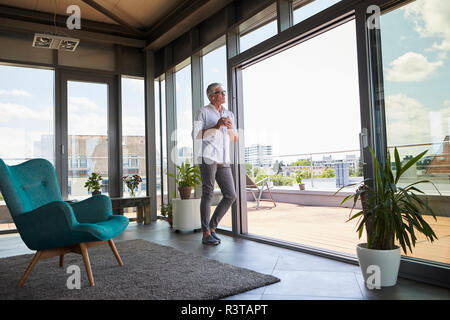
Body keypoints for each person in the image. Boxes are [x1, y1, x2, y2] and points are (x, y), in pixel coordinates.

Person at [192, 83, 238, 245]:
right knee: (208, 193)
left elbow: (234, 139)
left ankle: (212, 227)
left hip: (223, 159)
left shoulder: (229, 113)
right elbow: (196, 135)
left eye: (224, 91)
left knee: (231, 195)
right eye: (220, 92)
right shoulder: (203, 112)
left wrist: (231, 129)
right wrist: (216, 126)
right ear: (212, 96)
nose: (224, 94)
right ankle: (206, 234)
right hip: (208, 158)